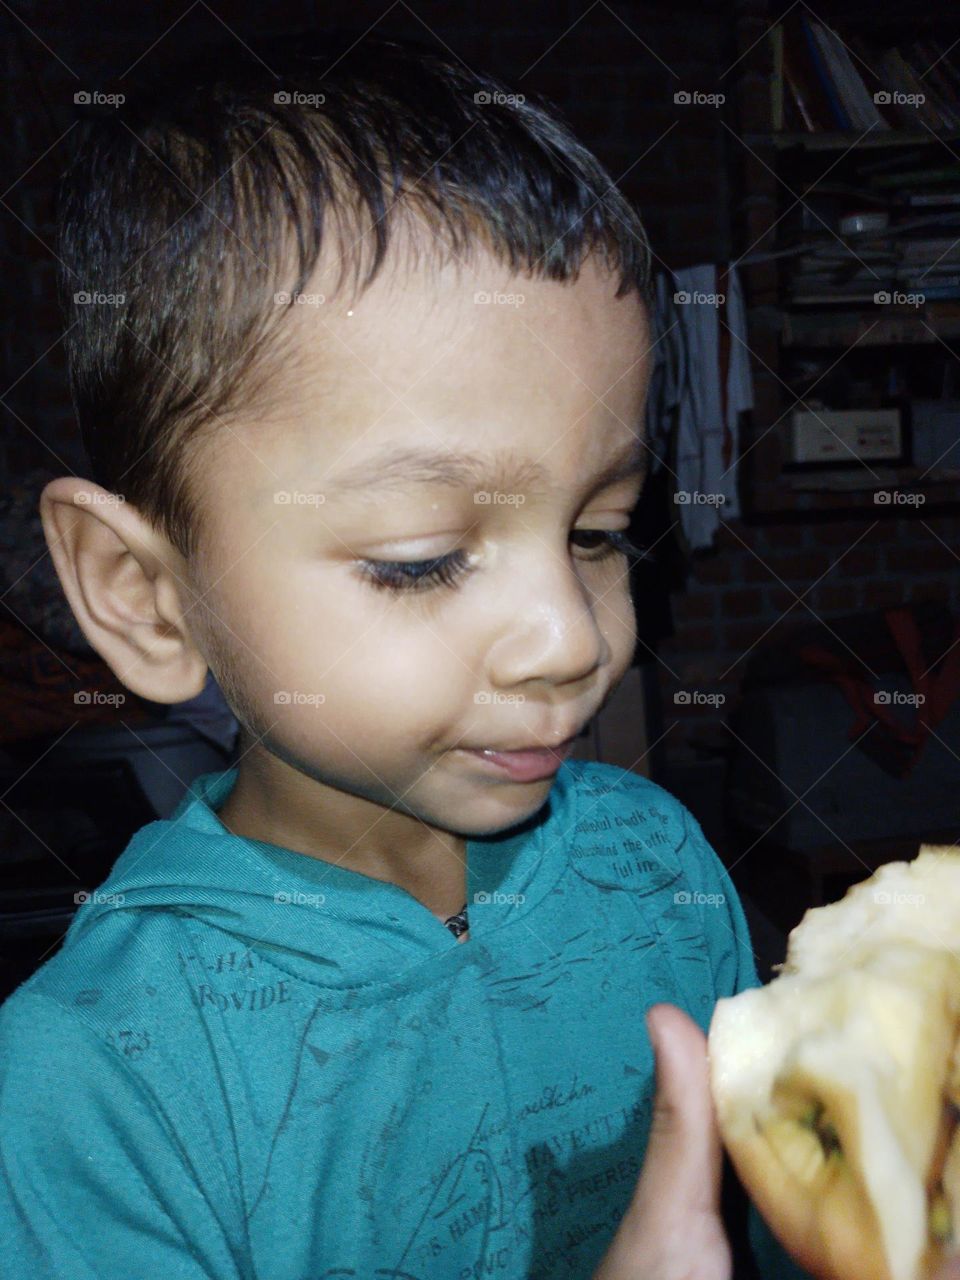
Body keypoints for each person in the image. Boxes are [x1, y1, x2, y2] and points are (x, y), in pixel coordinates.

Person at [0, 29, 812, 1279]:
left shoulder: (664, 865)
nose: (574, 637)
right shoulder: (89, 1082)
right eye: (422, 558)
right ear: (147, 598)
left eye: (600, 531)